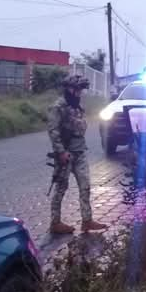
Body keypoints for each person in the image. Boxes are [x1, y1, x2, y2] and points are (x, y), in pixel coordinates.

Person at [47, 74, 108, 234]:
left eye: (81, 90)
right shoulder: (58, 107)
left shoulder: (77, 106)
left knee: (85, 186)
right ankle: (55, 222)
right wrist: (61, 152)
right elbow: (53, 131)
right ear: (70, 89)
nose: (80, 93)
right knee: (61, 188)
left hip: (80, 151)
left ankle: (87, 220)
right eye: (78, 90)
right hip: (66, 154)